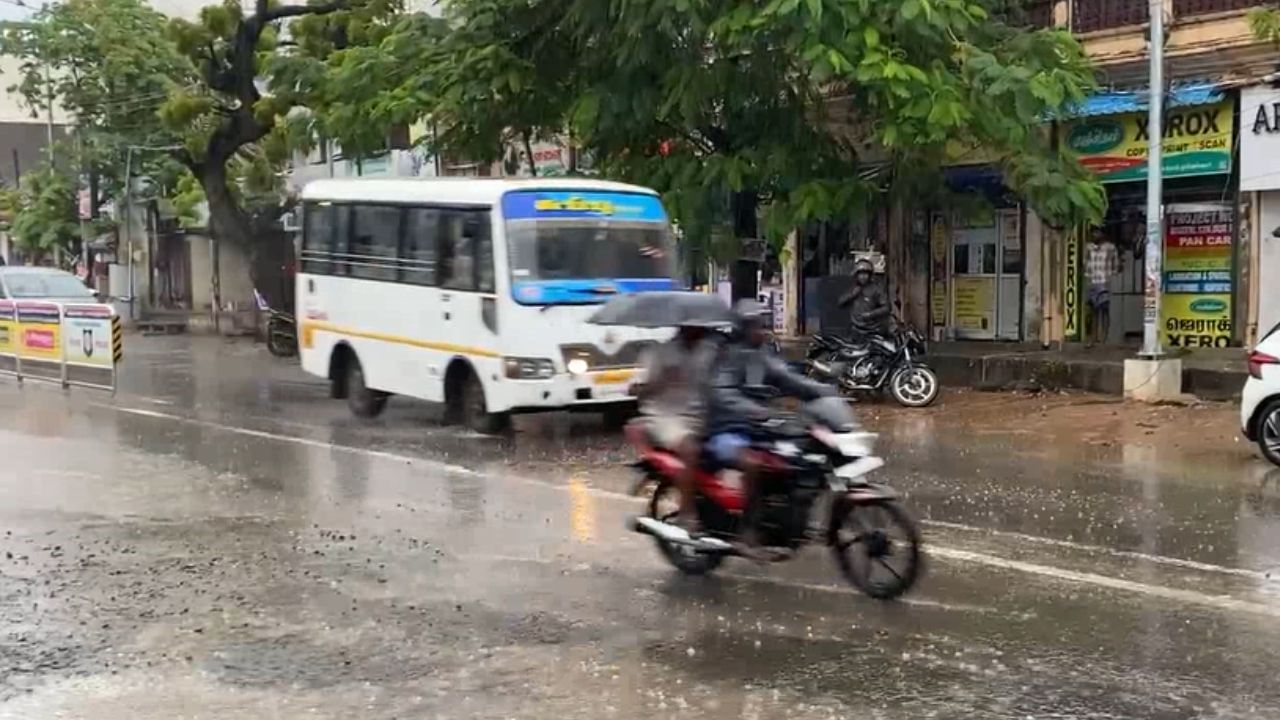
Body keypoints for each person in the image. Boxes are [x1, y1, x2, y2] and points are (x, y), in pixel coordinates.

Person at [705, 299, 835, 558]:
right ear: (742, 328)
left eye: (763, 325)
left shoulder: (761, 354)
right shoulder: (728, 356)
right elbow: (723, 394)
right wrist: (756, 411)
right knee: (754, 463)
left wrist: (825, 392)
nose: (762, 330)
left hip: (758, 428)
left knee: (798, 456)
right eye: (756, 326)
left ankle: (784, 519)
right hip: (726, 430)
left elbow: (788, 379)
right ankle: (747, 533)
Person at [635, 320, 719, 533]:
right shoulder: (661, 353)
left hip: (700, 413)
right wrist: (663, 381)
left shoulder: (710, 351)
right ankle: (687, 512)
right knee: (690, 448)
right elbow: (642, 389)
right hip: (667, 415)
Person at [838, 259, 889, 341]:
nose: (863, 277)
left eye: (865, 274)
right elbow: (840, 303)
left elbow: (886, 308)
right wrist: (852, 295)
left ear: (869, 275)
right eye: (860, 274)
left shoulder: (876, 289)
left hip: (872, 329)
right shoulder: (853, 288)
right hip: (855, 329)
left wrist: (870, 314)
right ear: (856, 275)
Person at [1085, 229, 1120, 346]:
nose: (1095, 235)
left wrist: (1111, 276)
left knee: (1105, 310)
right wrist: (1088, 278)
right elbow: (1085, 263)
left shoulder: (1110, 248)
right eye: (1093, 233)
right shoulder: (1088, 247)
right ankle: (1093, 338)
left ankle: (1104, 338)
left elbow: (1116, 264)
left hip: (1105, 282)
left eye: (1097, 233)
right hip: (1092, 282)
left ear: (1103, 234)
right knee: (1093, 311)